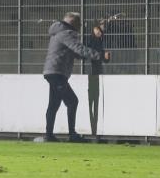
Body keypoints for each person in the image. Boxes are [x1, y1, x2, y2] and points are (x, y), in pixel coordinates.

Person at [42, 12, 108, 143]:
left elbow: (78, 53)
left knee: (54, 104)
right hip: (57, 73)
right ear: (74, 23)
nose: (80, 26)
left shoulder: (59, 32)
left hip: (53, 72)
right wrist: (100, 55)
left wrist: (94, 41)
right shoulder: (66, 33)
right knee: (72, 101)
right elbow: (79, 49)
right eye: (79, 23)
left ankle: (49, 135)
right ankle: (71, 135)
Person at [85, 19, 110, 139]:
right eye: (100, 27)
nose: (102, 30)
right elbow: (91, 54)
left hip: (97, 75)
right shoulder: (90, 40)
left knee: (96, 103)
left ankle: (95, 131)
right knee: (92, 103)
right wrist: (102, 55)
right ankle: (93, 131)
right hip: (91, 76)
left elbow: (103, 58)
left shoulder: (100, 40)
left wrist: (106, 57)